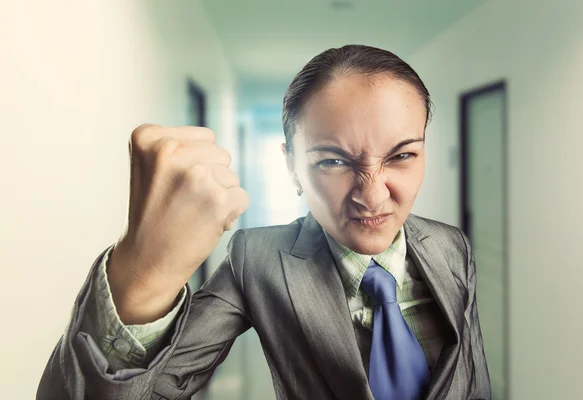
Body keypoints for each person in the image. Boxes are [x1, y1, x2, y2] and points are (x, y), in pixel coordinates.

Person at [37, 44, 491, 400]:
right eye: (333, 160)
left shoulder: (451, 246)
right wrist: (143, 273)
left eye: (403, 155)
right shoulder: (256, 259)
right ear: (292, 165)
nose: (372, 194)